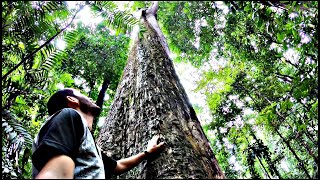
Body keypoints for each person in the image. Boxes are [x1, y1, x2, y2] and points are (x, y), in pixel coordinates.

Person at [32, 88, 165, 179]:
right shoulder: (70, 116)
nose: (89, 97)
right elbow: (58, 169)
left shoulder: (87, 144)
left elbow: (118, 166)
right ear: (72, 100)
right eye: (81, 93)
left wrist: (147, 153)